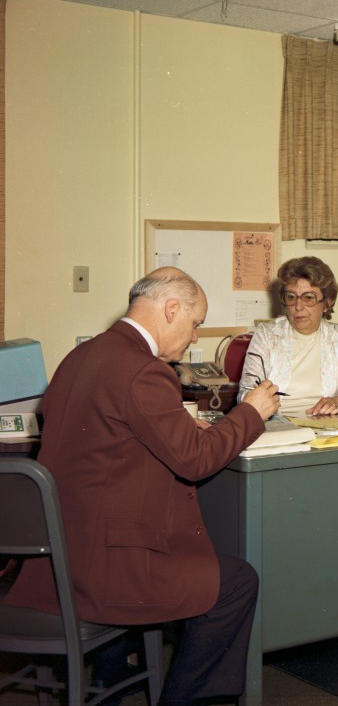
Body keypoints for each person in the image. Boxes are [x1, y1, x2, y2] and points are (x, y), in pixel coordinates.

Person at [4, 267, 281, 705]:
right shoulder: (145, 371)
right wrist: (251, 412)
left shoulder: (80, 356)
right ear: (172, 309)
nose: (193, 339)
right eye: (195, 324)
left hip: (60, 560)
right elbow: (196, 460)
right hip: (107, 569)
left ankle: (109, 680)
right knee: (236, 583)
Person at [239, 256, 338, 416]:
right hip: (276, 425)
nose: (298, 307)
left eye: (308, 298)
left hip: (324, 427)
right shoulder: (266, 335)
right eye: (291, 297)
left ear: (327, 302)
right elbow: (246, 393)